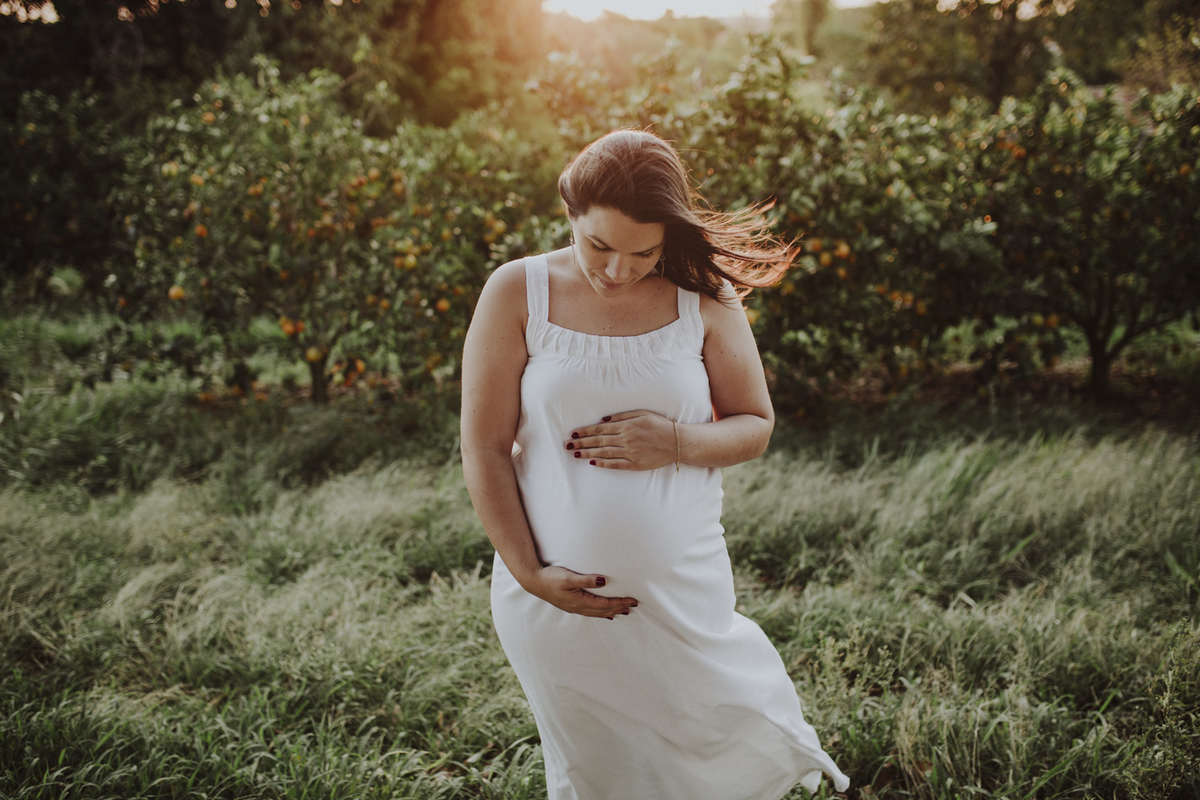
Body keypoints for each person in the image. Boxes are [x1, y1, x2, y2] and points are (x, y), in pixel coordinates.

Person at [460, 129, 850, 800]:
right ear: (569, 215)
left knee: (710, 749)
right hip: (557, 603)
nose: (617, 271)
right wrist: (530, 574)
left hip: (685, 598)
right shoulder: (517, 292)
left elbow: (755, 426)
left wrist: (673, 442)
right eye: (599, 246)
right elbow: (485, 447)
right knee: (595, 777)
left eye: (644, 252)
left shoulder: (704, 297)